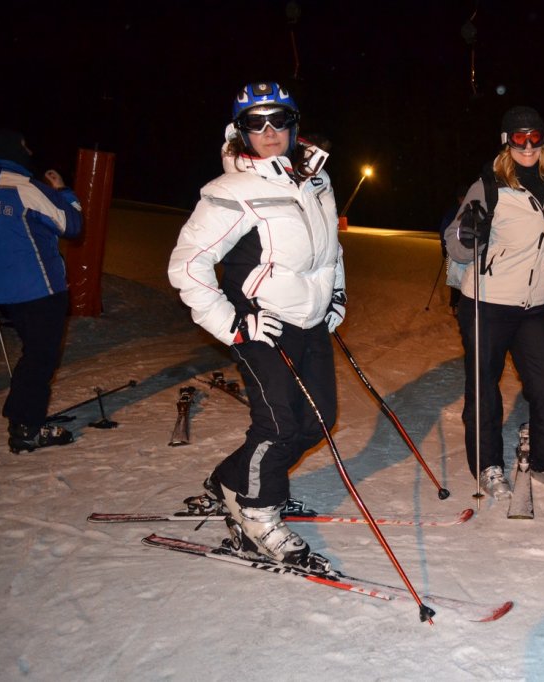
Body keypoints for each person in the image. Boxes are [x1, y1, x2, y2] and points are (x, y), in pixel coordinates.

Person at [168, 82, 345, 571]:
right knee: (280, 423)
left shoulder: (315, 180)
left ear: (294, 124)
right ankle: (255, 511)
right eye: (255, 122)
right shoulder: (230, 193)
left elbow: (332, 249)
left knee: (317, 421)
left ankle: (232, 478)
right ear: (239, 130)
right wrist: (232, 324)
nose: (269, 131)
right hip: (262, 326)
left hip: (310, 322)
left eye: (278, 119)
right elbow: (187, 267)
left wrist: (336, 295)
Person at [444, 106, 544, 499]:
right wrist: (469, 235)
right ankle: (487, 465)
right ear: (507, 141)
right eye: (519, 138)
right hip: (487, 302)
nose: (528, 146)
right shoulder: (488, 185)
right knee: (485, 388)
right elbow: (455, 243)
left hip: (534, 306)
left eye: (535, 137)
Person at [0, 129, 82, 453]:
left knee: (32, 354)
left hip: (4, 293)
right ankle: (27, 428)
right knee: (40, 358)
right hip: (39, 290)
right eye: (25, 146)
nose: (30, 151)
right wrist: (64, 192)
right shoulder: (26, 188)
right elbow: (72, 225)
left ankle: (21, 413)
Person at [438, 184, 468, 316]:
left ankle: (464, 304)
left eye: (465, 197)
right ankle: (454, 304)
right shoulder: (453, 212)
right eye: (462, 197)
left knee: (466, 279)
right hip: (454, 250)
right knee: (456, 278)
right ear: (458, 199)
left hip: (468, 252)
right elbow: (444, 229)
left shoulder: (472, 211)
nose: (463, 200)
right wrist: (444, 246)